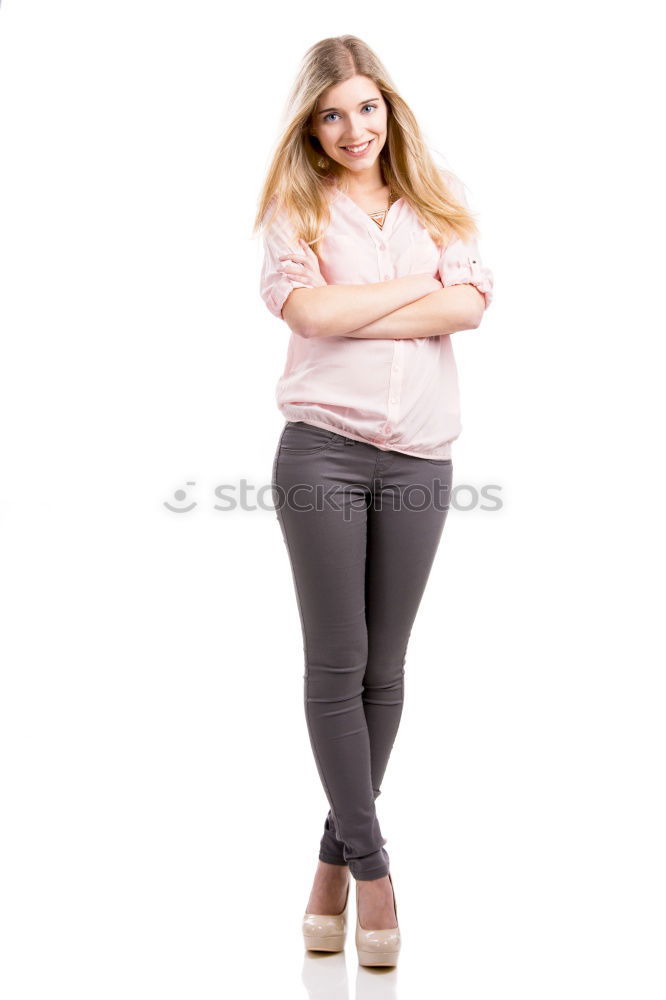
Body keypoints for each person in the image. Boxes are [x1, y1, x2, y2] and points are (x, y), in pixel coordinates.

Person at [254, 34, 494, 966]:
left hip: (422, 459)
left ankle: (328, 862)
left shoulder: (441, 200)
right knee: (338, 663)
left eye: (366, 107)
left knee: (386, 672)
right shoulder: (296, 209)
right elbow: (306, 314)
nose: (354, 128)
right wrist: (417, 289)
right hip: (323, 452)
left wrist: (370, 301)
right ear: (310, 128)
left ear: (388, 108)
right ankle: (377, 874)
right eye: (331, 113)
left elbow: (470, 309)